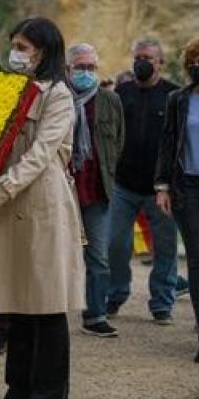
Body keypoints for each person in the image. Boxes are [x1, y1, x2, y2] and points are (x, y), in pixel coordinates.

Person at [0, 16, 84, 399]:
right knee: (16, 307)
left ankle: (49, 396)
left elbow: (40, 155)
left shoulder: (58, 94)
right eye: (13, 45)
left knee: (46, 309)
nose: (15, 54)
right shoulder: (11, 89)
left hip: (39, 206)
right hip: (7, 202)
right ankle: (18, 391)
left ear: (43, 52)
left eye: (23, 48)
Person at [155, 35, 199, 363]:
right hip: (189, 188)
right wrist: (162, 186)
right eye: (193, 64)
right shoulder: (178, 99)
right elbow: (168, 144)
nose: (198, 69)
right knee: (198, 258)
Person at [107, 38, 181, 324]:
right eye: (138, 57)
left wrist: (172, 183)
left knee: (165, 247)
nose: (142, 62)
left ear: (160, 63)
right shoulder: (121, 92)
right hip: (122, 185)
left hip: (161, 188)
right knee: (115, 244)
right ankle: (115, 294)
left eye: (148, 58)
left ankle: (162, 303)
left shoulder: (174, 95)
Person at [65, 43, 125, 338]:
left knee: (98, 255)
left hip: (96, 188)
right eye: (81, 67)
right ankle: (45, 314)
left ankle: (95, 314)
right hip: (62, 190)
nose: (86, 73)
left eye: (91, 67)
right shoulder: (58, 97)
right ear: (68, 69)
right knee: (54, 254)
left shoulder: (110, 101)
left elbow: (118, 142)